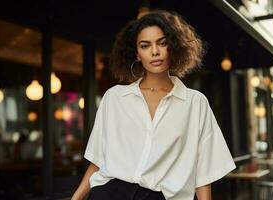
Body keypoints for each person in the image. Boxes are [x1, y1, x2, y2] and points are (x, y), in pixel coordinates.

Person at [72, 9, 236, 200]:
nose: (155, 51)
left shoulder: (194, 103)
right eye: (145, 45)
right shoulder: (115, 98)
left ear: (173, 47)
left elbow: (203, 170)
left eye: (162, 43)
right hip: (110, 193)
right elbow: (98, 161)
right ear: (137, 53)